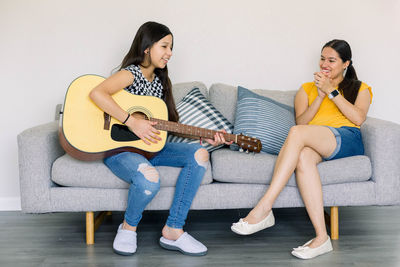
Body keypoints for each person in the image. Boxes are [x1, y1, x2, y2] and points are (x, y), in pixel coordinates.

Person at [89, 21, 230, 256]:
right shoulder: (130, 74)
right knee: (149, 179)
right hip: (121, 151)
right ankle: (127, 228)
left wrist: (208, 137)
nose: (170, 53)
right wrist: (132, 121)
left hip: (153, 149)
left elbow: (167, 126)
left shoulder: (161, 81)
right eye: (165, 46)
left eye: (171, 48)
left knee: (200, 154)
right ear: (147, 47)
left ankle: (174, 229)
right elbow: (97, 93)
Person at [231, 39, 372, 259]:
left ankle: (264, 208)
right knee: (304, 156)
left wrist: (332, 92)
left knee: (296, 133)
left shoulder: (359, 88)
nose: (325, 64)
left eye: (332, 60)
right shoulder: (306, 89)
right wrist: (320, 95)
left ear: (346, 64)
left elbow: (358, 117)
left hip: (346, 138)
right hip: (316, 141)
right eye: (323, 58)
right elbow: (303, 122)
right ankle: (322, 237)